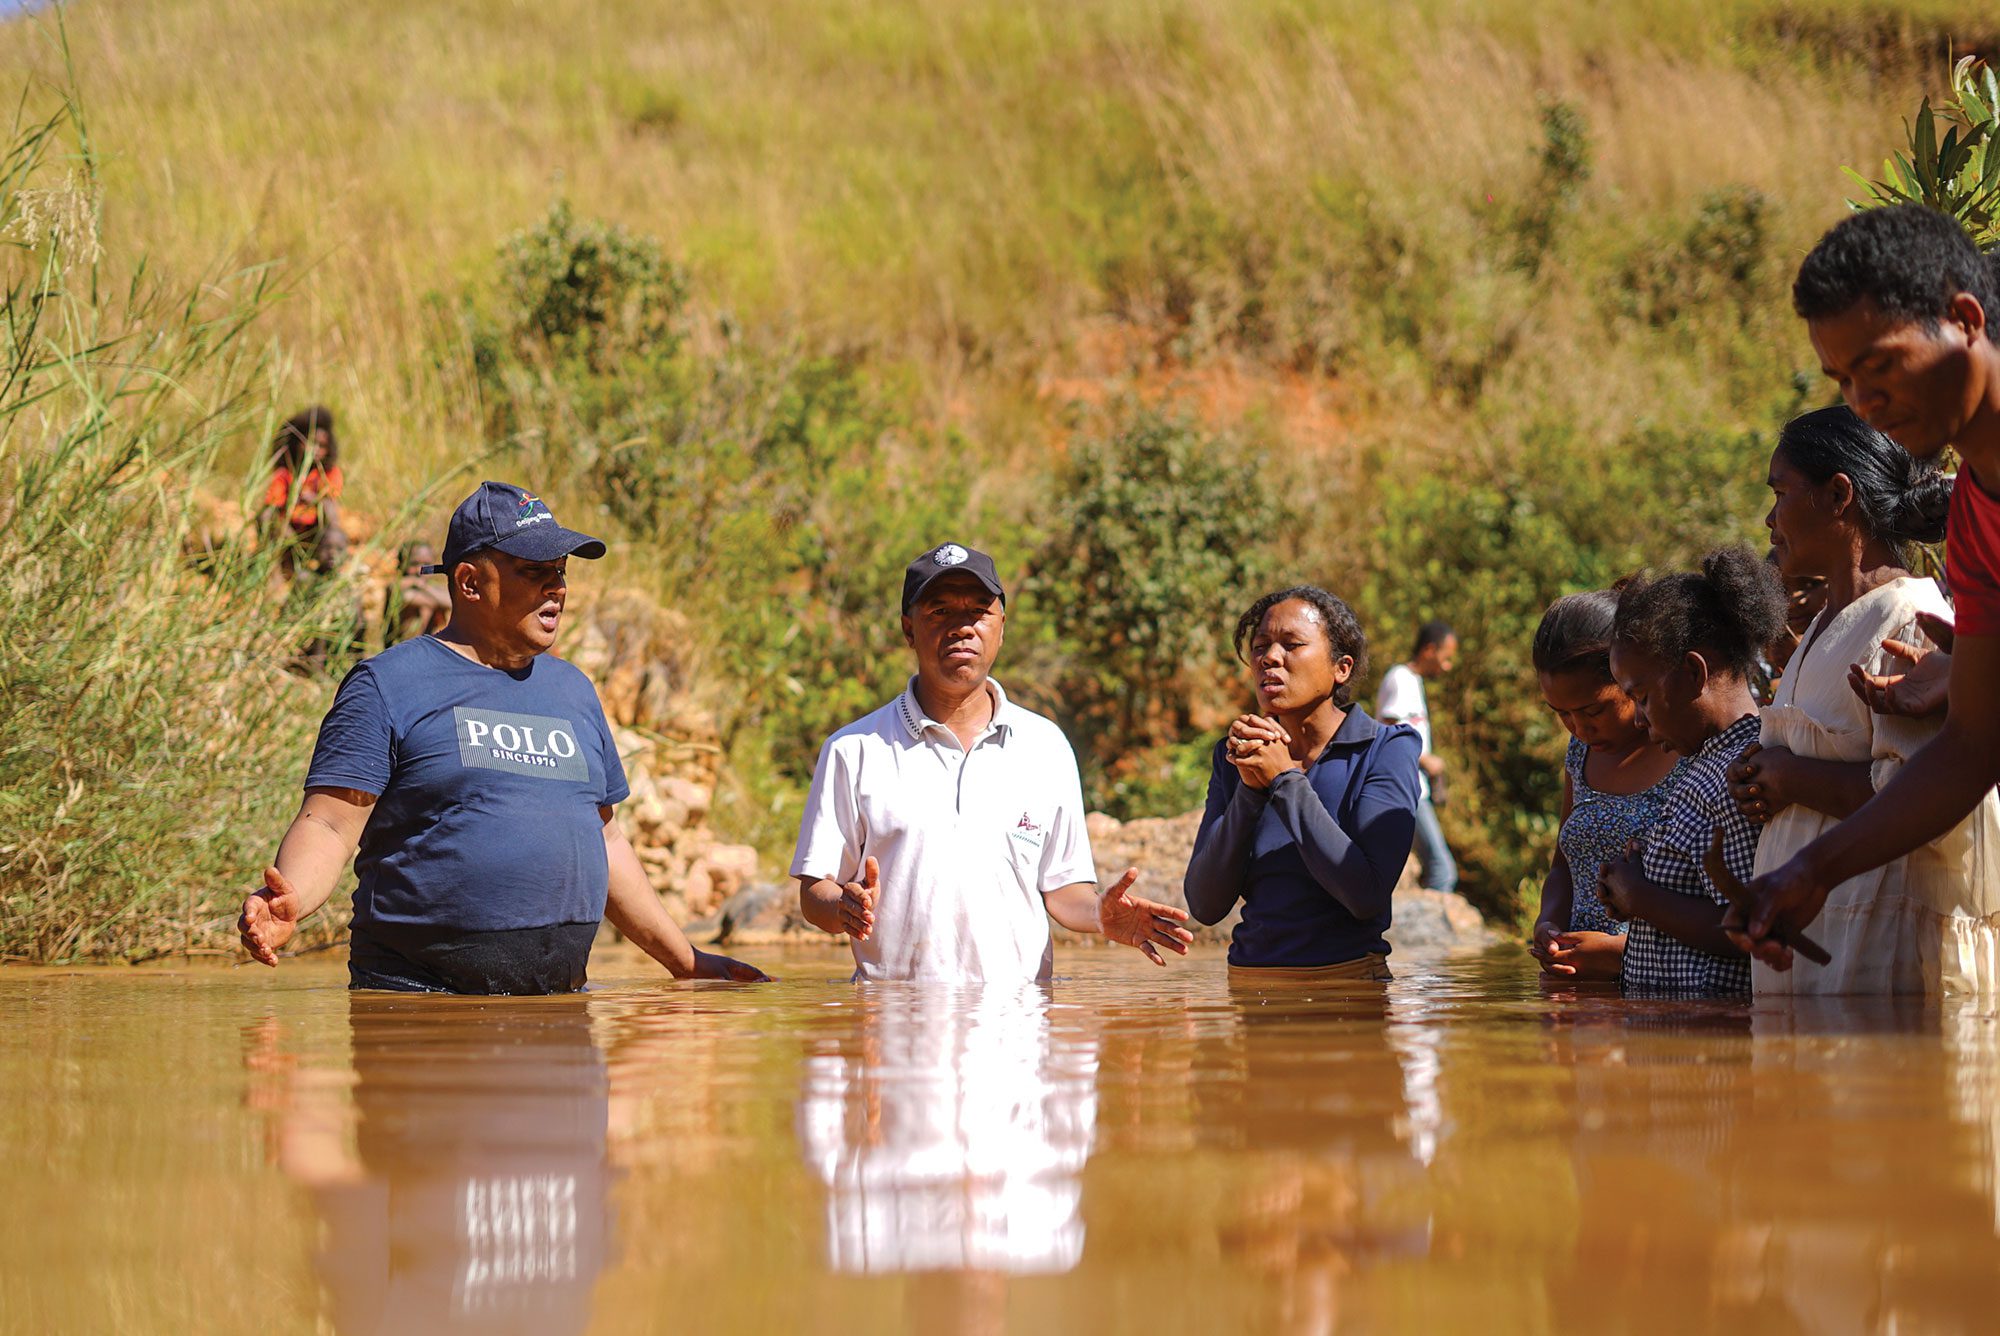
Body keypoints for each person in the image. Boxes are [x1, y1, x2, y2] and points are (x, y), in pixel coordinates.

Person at [236, 481, 766, 992]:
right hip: (420, 1014)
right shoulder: (388, 685)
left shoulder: (573, 690)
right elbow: (329, 823)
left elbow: (605, 841)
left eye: (560, 572)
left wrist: (685, 961)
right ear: (469, 582)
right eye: (535, 572)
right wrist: (293, 899)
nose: (556, 587)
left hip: (559, 1023)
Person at [1741, 205, 2000, 968]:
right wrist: (1809, 871)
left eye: (1880, 365)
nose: (1862, 400)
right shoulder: (1979, 519)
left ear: (1963, 318)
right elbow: (1972, 747)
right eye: (1843, 378)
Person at [790, 541, 1194, 982]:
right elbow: (814, 893)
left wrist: (1099, 912)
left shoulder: (1046, 747)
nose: (962, 627)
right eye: (939, 611)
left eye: (979, 611)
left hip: (1018, 1026)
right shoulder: (854, 749)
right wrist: (842, 909)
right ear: (909, 629)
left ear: (1001, 627)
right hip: (895, 1025)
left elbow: (1063, 889)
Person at [1725, 405, 1998, 994]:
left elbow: (1935, 797)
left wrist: (1791, 779)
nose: (1770, 519)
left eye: (1780, 492)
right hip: (1819, 936)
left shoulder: (1908, 615)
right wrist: (1763, 785)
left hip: (1880, 942)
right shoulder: (1826, 625)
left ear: (1838, 495)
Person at [1183, 586, 1422, 981]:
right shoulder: (1236, 755)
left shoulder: (1386, 750)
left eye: (1292, 644)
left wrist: (1285, 780)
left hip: (1347, 991)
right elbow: (1205, 905)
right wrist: (1250, 790)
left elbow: (1366, 896)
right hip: (1249, 987)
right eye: (1260, 646)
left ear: (1340, 668)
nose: (1269, 658)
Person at [1596, 548, 1786, 995]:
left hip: (1714, 1049)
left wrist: (1642, 897)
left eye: (1641, 696)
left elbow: (1753, 929)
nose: (1639, 720)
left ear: (1693, 672)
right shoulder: (1705, 764)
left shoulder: (1740, 773)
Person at [1528, 590, 1686, 982]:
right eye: (1562, 714)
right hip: (1575, 988)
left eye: (1594, 710)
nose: (1580, 729)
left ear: (1629, 678)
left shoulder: (1686, 751)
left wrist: (1620, 952)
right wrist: (1548, 923)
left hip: (1657, 989)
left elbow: (1712, 910)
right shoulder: (1579, 754)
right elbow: (1563, 866)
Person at [1375, 619, 1458, 893]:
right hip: (1406, 790)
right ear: (1429, 650)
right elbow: (1388, 729)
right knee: (1441, 868)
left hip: (1413, 789)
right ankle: (1435, 929)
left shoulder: (1412, 681)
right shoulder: (1400, 678)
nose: (1447, 666)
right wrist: (1427, 760)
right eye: (1445, 658)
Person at [263, 405, 348, 573]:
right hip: (288, 531)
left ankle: (326, 569)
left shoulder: (330, 473)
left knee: (330, 510)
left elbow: (330, 506)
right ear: (297, 442)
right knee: (267, 517)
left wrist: (312, 499)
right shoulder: (286, 473)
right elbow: (272, 505)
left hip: (315, 533)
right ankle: (277, 567)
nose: (315, 450)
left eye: (321, 446)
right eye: (311, 443)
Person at [384, 540, 452, 645]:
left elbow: (450, 601)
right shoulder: (397, 588)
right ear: (402, 564)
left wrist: (422, 586)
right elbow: (405, 596)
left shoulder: (429, 588)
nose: (420, 569)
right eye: (414, 564)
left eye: (427, 564)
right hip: (401, 650)